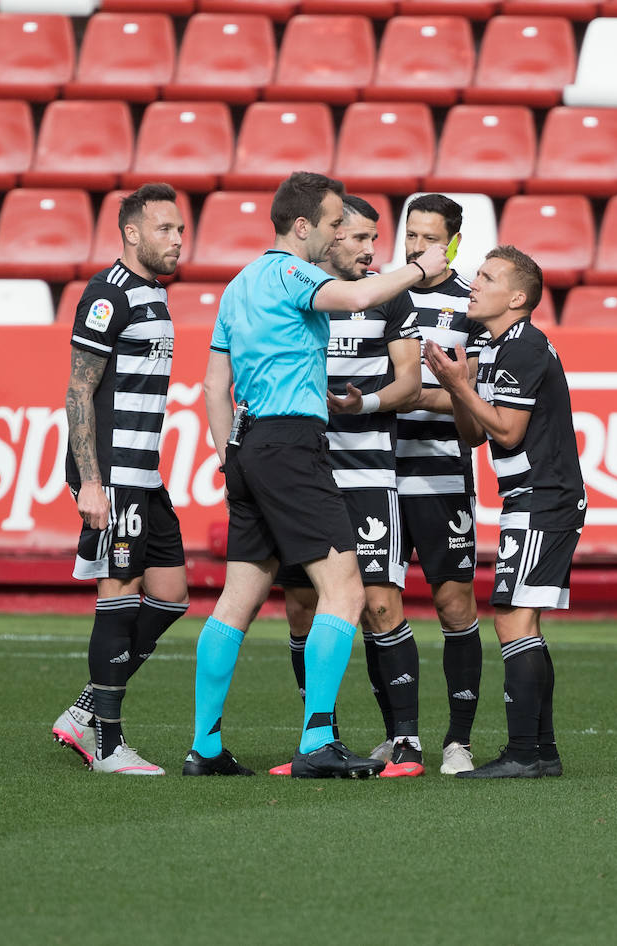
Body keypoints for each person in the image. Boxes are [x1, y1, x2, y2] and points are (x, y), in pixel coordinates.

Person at [186, 171, 447, 779]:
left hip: (249, 446)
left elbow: (212, 385)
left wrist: (231, 456)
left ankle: (203, 746)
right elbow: (357, 299)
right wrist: (421, 265)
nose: (337, 237)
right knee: (347, 591)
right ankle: (318, 741)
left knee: (236, 599)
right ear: (301, 226)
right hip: (291, 444)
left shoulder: (237, 285)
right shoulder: (292, 272)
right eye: (332, 225)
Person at [267, 194, 426, 778]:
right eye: (357, 238)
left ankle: (404, 740)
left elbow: (409, 383)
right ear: (329, 236)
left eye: (371, 239)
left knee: (380, 603)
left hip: (366, 471)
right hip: (302, 473)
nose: (369, 249)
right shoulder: (292, 289)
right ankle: (320, 738)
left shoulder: (389, 295)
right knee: (303, 609)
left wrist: (368, 402)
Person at [425, 245, 586, 779]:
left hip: (545, 497)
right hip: (529, 497)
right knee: (523, 620)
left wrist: (455, 387)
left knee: (513, 620)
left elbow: (509, 430)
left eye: (488, 278)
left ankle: (523, 753)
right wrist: (463, 388)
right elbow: (475, 433)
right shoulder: (491, 345)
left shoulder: (524, 346)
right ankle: (541, 752)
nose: (474, 283)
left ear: (517, 298)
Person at [53, 182, 189, 776]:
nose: (178, 240)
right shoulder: (108, 295)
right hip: (111, 476)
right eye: (165, 229)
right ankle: (106, 743)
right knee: (118, 594)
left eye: (180, 229)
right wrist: (90, 483)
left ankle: (86, 709)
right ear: (132, 232)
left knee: (172, 596)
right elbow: (78, 389)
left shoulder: (152, 295)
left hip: (143, 475)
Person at [393, 194, 490, 776]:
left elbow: (475, 416)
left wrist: (415, 394)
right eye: (410, 236)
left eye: (429, 239)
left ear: (452, 242)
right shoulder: (380, 294)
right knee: (378, 604)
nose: (417, 248)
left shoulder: (470, 307)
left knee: (454, 604)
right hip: (378, 471)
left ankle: (459, 740)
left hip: (442, 473)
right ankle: (400, 738)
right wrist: (429, 391)